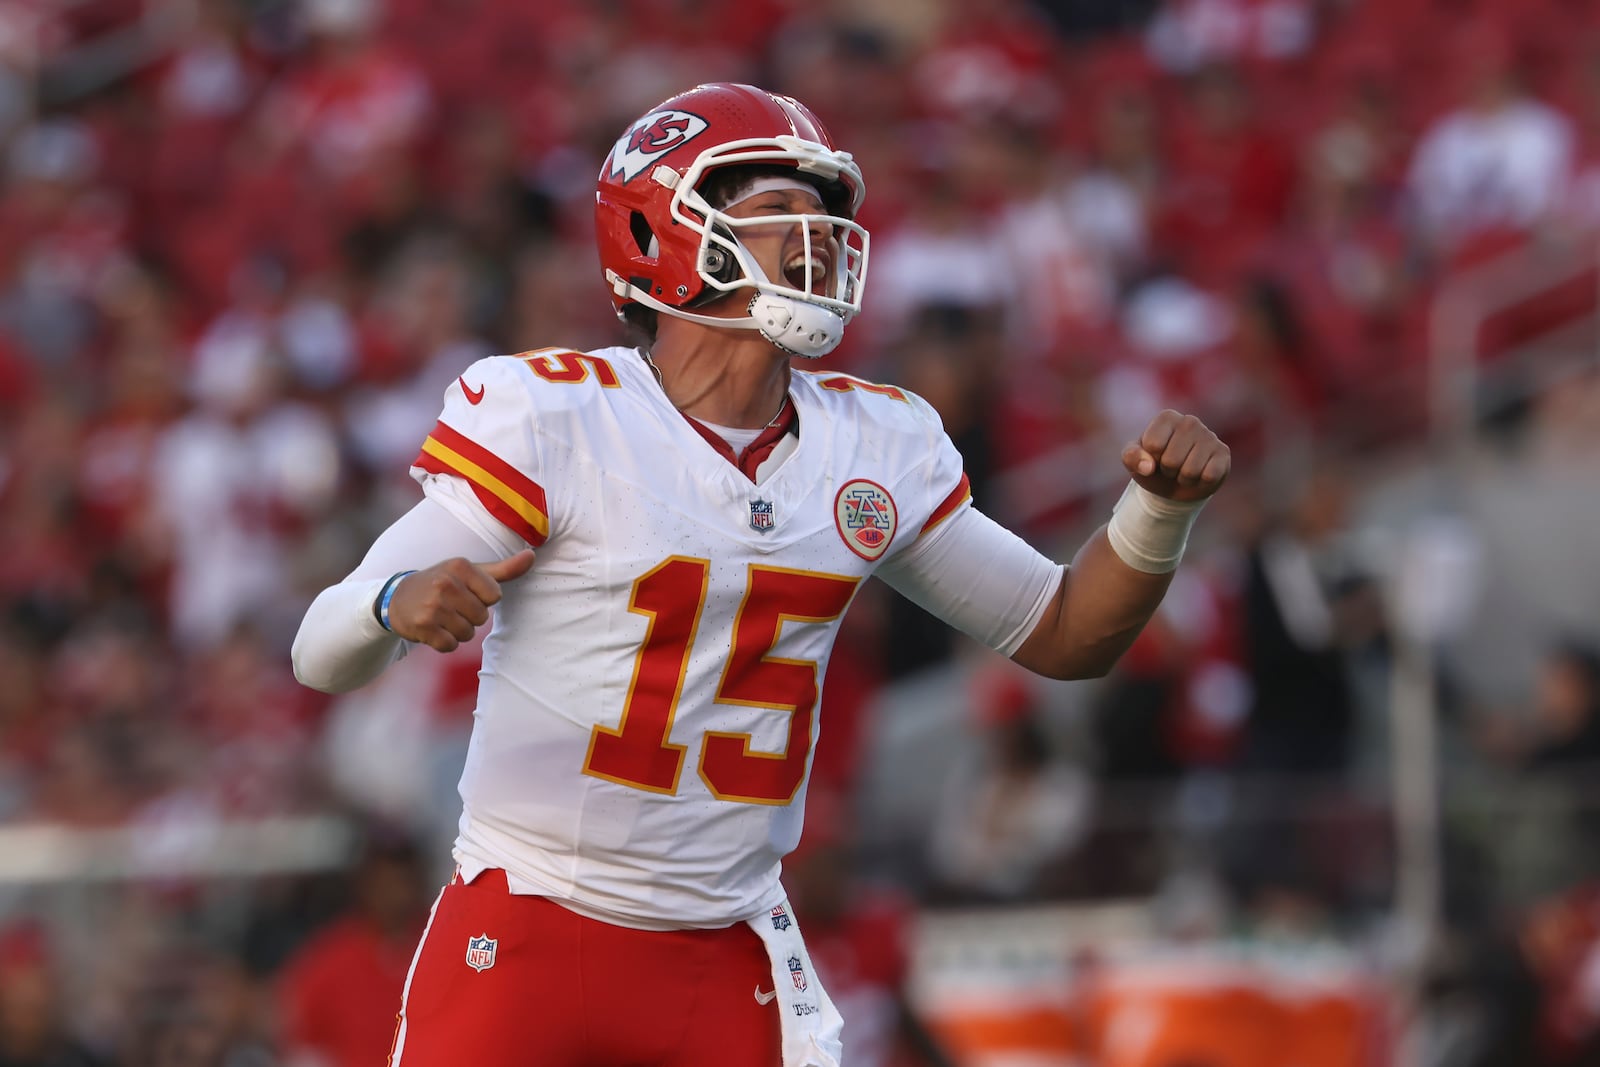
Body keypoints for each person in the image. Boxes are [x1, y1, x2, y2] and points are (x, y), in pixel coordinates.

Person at [291, 81, 1230, 1067]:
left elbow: (1067, 631)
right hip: (531, 922)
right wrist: (395, 605)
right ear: (658, 236)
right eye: (773, 208)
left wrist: (1157, 510)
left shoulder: (871, 442)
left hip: (723, 950)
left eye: (817, 209)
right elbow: (319, 648)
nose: (811, 234)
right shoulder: (556, 417)